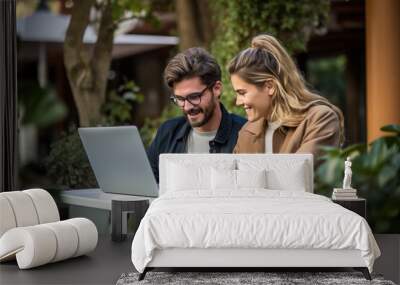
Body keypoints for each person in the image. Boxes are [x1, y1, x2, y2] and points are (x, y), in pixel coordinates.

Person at [228, 34, 344, 162]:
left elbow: (299, 176)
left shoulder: (320, 119)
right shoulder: (246, 133)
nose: (238, 102)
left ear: (270, 86)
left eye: (242, 93)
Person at [147, 47, 246, 183]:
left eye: (194, 97)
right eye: (180, 99)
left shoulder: (246, 133)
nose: (187, 107)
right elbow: (149, 185)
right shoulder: (167, 132)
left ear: (216, 89)